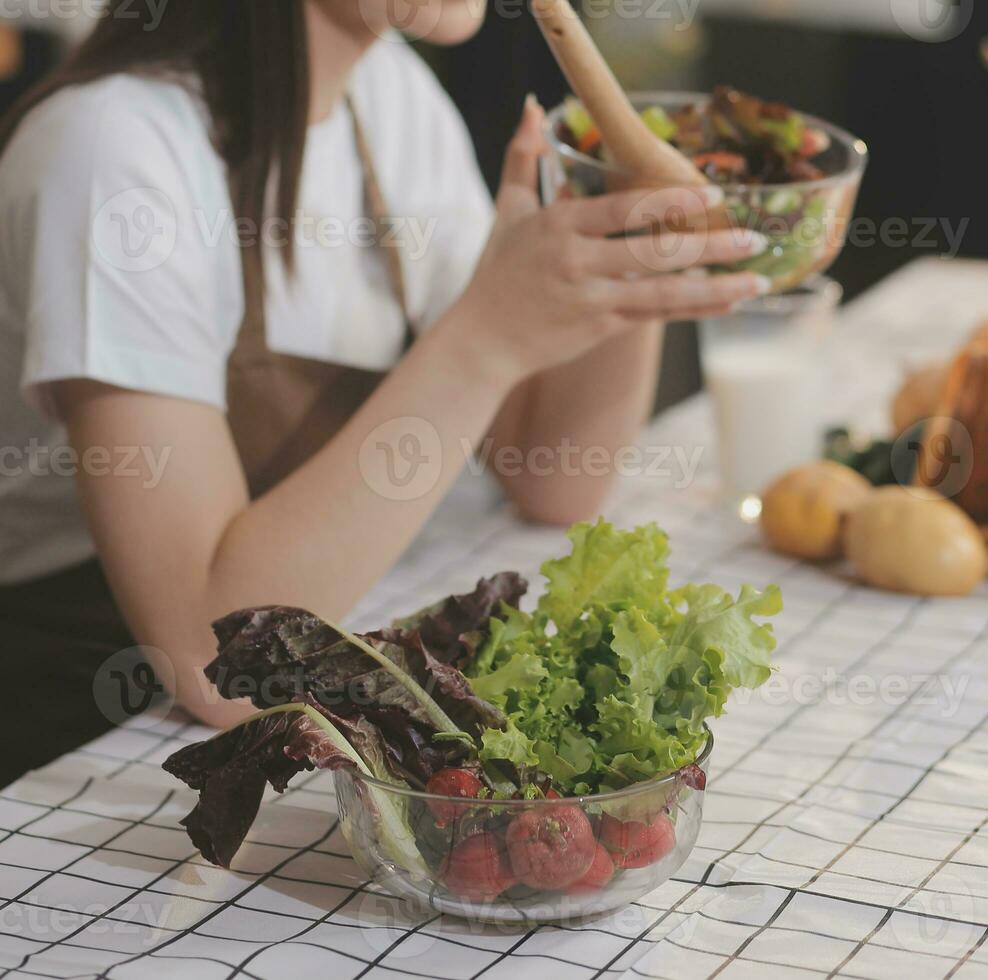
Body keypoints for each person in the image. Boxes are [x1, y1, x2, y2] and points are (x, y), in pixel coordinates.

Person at [0, 0, 768, 771]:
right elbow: (214, 662)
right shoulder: (110, 151)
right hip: (82, 726)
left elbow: (554, 480)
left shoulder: (390, 97)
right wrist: (487, 339)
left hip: (299, 685)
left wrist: (629, 251)